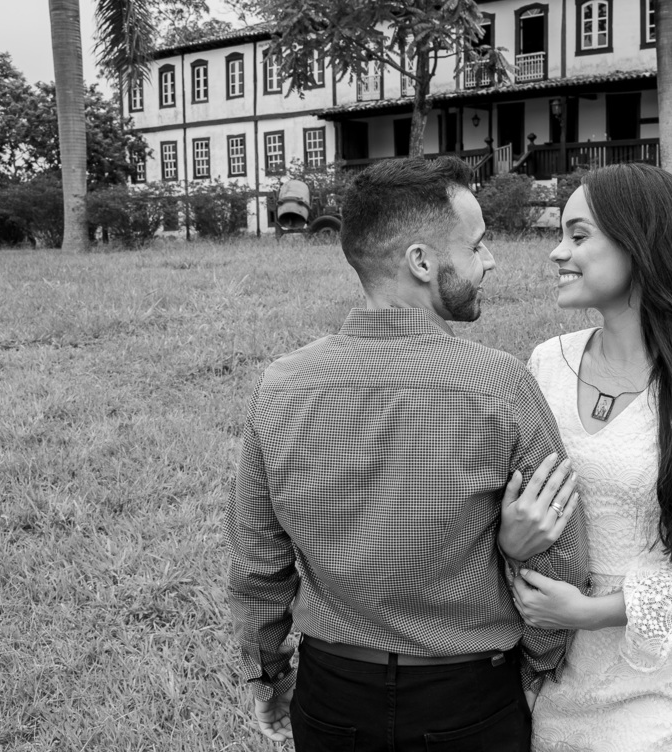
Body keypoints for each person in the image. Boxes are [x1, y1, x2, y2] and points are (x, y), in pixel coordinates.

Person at [225, 156, 589, 751]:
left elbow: (257, 565)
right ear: (421, 261)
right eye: (475, 246)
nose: (490, 260)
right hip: (470, 697)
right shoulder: (500, 384)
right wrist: (541, 663)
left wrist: (267, 673)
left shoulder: (282, 385)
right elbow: (556, 548)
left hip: (331, 695)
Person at [502, 163, 672, 751]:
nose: (556, 253)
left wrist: (594, 612)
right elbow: (512, 501)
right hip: (542, 669)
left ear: (640, 246)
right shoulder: (545, 362)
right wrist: (511, 539)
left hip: (657, 687)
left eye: (578, 235)